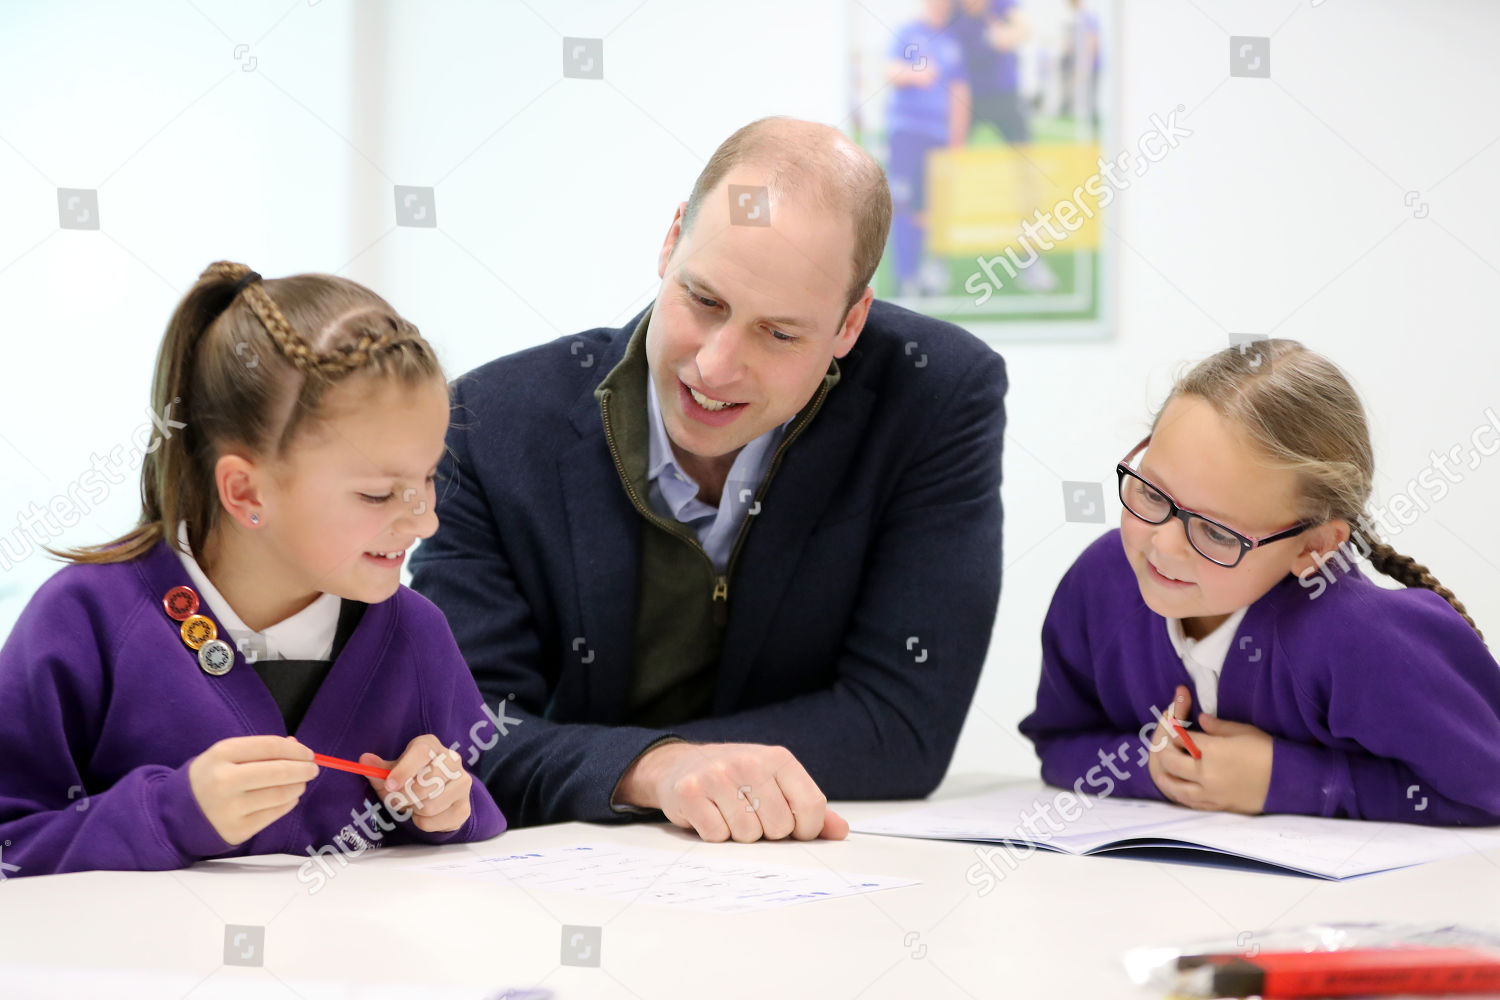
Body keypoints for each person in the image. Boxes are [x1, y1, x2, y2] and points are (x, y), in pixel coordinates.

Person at [410, 117, 1007, 843]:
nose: (716, 368)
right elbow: (464, 735)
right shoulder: (487, 424)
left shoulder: (936, 394)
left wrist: (613, 757)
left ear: (849, 326)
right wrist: (658, 769)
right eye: (704, 302)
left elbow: (902, 726)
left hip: (816, 881)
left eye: (780, 334)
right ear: (671, 243)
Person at [0, 261, 505, 878]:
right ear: (245, 493)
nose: (425, 522)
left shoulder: (417, 636)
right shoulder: (83, 621)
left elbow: (479, 807)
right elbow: (12, 842)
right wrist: (169, 816)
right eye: (377, 494)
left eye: (428, 477)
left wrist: (450, 808)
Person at [1020, 339, 1500, 825]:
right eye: (1151, 492)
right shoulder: (1100, 584)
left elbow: (1487, 790)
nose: (1162, 546)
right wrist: (1150, 765)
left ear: (1313, 547)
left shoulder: (1365, 638)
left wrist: (1292, 780)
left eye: (1215, 531)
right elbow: (1057, 743)